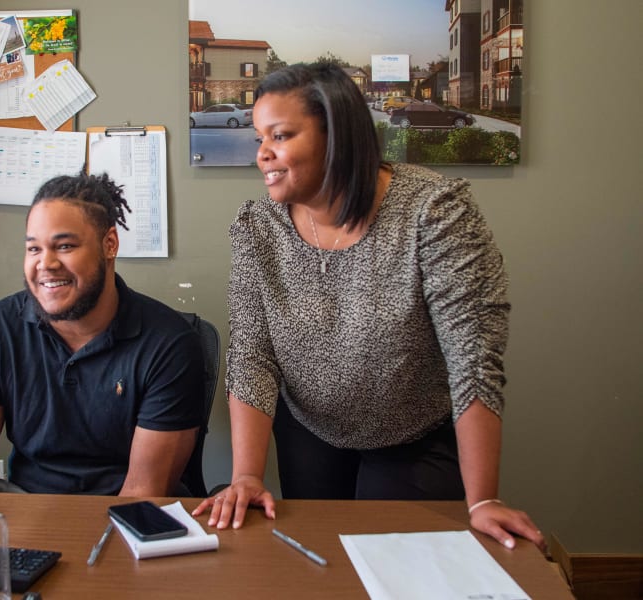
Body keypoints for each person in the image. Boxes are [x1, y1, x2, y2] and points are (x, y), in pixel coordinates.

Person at [192, 63, 545, 552]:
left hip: (414, 436)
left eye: (281, 135)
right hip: (310, 431)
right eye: (259, 138)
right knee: (324, 565)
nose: (263, 154)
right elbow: (253, 354)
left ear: (335, 135)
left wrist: (482, 500)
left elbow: (473, 359)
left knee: (397, 566)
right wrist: (247, 475)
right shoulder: (258, 224)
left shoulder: (434, 211)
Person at [0, 172, 204, 510]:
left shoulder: (168, 343)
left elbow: (143, 492)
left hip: (124, 523)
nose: (46, 264)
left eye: (64, 246)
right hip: (27, 511)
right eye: (34, 249)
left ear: (109, 244)